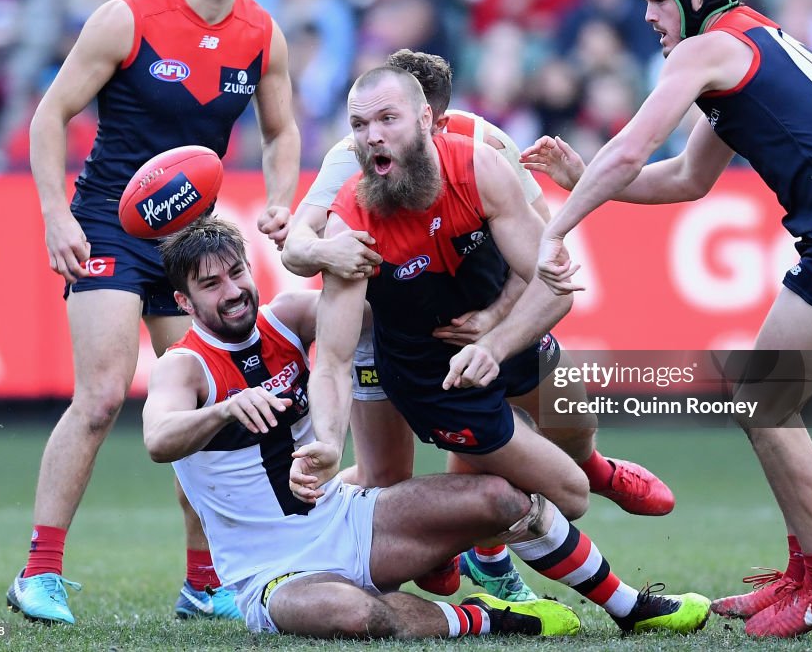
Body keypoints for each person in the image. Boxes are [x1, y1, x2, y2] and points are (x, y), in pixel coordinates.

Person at [451, 0, 812, 639]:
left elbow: (633, 148)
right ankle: (808, 574)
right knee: (765, 398)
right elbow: (685, 178)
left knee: (762, 399)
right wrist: (586, 182)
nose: (647, 15)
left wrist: (558, 228)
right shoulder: (744, 42)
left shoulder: (708, 48)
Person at [288, 65, 711, 635]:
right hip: (436, 379)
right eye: (361, 124)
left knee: (576, 434)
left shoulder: (482, 160)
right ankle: (599, 595)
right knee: (569, 494)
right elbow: (334, 360)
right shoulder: (354, 214)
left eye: (387, 119)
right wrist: (325, 441)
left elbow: (555, 282)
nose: (372, 136)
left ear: (428, 119)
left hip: (504, 332)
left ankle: (549, 485)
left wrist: (493, 335)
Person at [6, 0, 301, 625]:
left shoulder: (263, 33)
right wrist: (53, 214)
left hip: (191, 246)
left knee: (207, 406)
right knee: (103, 396)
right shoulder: (127, 17)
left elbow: (283, 129)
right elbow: (51, 115)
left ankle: (205, 584)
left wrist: (278, 197)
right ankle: (37, 573)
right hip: (107, 223)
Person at [142, 215, 586, 639]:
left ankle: (627, 605)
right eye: (211, 284)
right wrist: (223, 410)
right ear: (184, 302)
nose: (233, 290)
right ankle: (491, 619)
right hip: (274, 572)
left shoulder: (288, 317)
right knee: (354, 615)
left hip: (347, 520)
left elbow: (381, 310)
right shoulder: (184, 367)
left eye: (237, 273)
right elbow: (159, 441)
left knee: (500, 498)